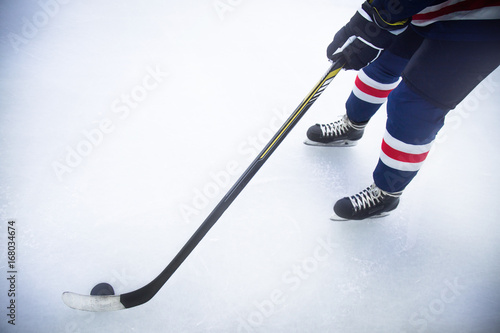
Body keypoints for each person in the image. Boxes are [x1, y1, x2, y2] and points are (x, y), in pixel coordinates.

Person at [305, 0, 500, 221]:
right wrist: (375, 18)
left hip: (483, 21)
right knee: (381, 64)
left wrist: (376, 15)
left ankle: (387, 193)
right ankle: (353, 126)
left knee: (413, 106)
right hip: (426, 8)